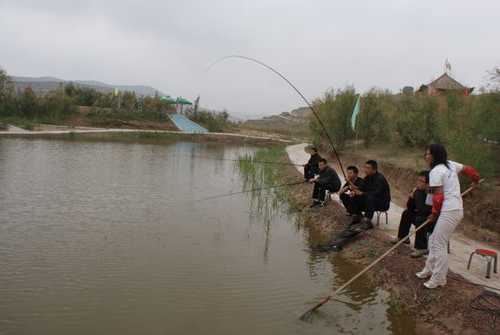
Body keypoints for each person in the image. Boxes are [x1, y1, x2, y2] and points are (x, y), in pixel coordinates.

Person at [416, 144, 480, 289]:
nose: (425, 157)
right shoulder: (451, 164)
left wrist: (433, 214)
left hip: (450, 210)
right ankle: (429, 269)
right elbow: (469, 170)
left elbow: (437, 198)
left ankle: (439, 278)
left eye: (427, 154)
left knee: (439, 243)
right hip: (452, 209)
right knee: (433, 239)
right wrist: (475, 179)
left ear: (433, 156)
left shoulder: (436, 172)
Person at [393, 171, 433, 258]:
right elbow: (410, 207)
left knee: (420, 219)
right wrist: (411, 197)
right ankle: (403, 237)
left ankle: (422, 248)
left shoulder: (431, 194)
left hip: (432, 220)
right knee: (406, 213)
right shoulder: (417, 191)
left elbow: (426, 210)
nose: (418, 183)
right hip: (421, 215)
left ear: (428, 184)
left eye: (421, 181)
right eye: (418, 180)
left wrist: (417, 197)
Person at [353, 160, 391, 227]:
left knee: (370, 197)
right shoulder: (367, 177)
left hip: (382, 203)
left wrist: (362, 193)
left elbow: (376, 193)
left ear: (374, 169)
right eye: (365, 168)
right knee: (354, 195)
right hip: (372, 200)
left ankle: (367, 220)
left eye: (368, 168)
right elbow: (361, 188)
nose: (365, 170)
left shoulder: (380, 179)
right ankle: (358, 215)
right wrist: (355, 191)